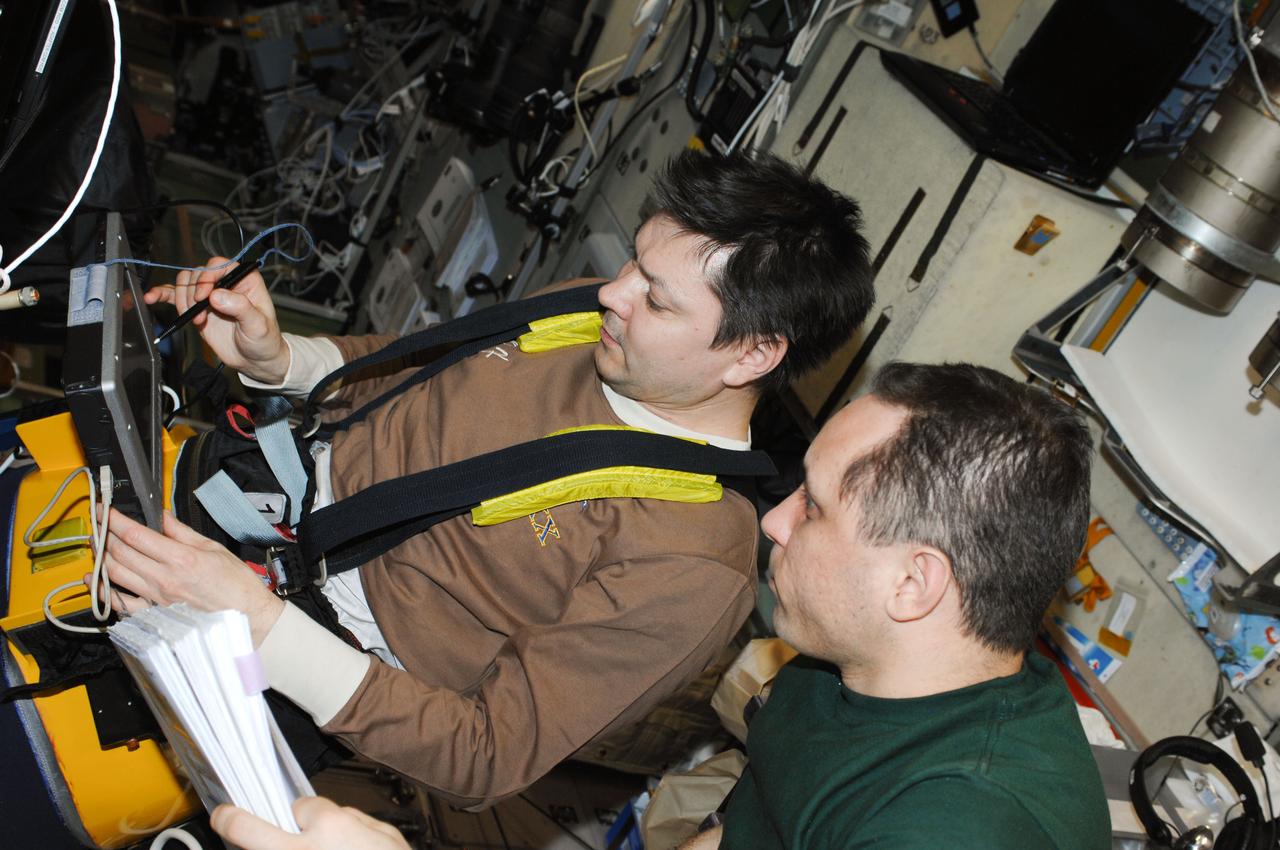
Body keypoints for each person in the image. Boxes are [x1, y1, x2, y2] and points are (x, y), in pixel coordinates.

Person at [101, 150, 875, 808]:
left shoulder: (692, 555)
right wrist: (284, 360)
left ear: (752, 355)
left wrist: (261, 628)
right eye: (636, 261)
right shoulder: (592, 323)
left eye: (657, 298)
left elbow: (486, 754)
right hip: (250, 503)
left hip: (303, 651)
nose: (614, 292)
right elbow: (412, 378)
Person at [206, 361, 1110, 850]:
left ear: (914, 584)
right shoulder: (851, 673)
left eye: (818, 506)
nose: (778, 520)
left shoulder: (958, 824)